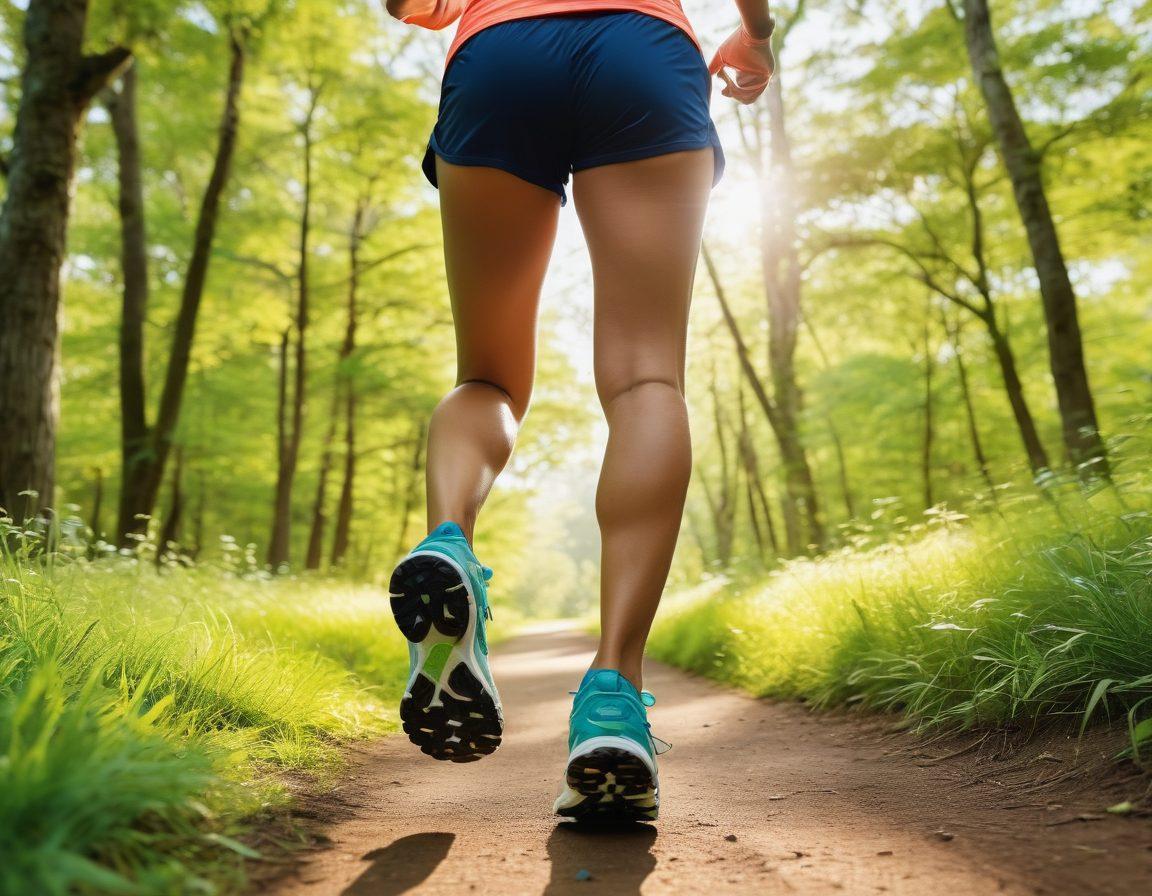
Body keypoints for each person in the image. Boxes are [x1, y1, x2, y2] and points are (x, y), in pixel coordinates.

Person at [384, 0, 776, 823]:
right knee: (645, 382)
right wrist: (757, 33)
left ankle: (448, 538)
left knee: (487, 378)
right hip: (644, 50)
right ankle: (613, 698)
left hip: (497, 58)